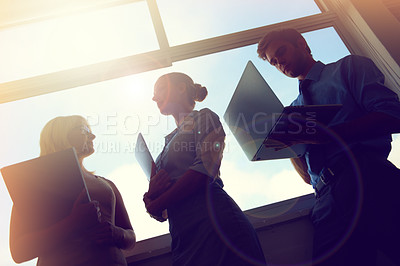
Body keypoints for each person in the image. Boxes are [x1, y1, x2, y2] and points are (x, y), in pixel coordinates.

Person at [257, 28, 400, 265]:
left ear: (302, 43)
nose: (279, 62)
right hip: (325, 198)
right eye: (273, 62)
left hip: (366, 176)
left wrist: (326, 135)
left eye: (281, 52)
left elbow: (393, 114)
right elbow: (307, 175)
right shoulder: (292, 111)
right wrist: (287, 148)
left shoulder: (349, 68)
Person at [142, 72, 267, 266]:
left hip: (214, 222)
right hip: (183, 234)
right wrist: (152, 197)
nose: (154, 97)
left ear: (181, 88)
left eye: (160, 89)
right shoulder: (167, 143)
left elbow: (204, 170)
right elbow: (161, 208)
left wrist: (157, 202)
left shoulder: (205, 117)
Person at [9, 115, 136, 266]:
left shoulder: (107, 185)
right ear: (61, 135)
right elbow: (19, 251)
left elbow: (130, 237)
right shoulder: (35, 187)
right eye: (85, 130)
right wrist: (71, 222)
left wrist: (116, 233)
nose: (93, 135)